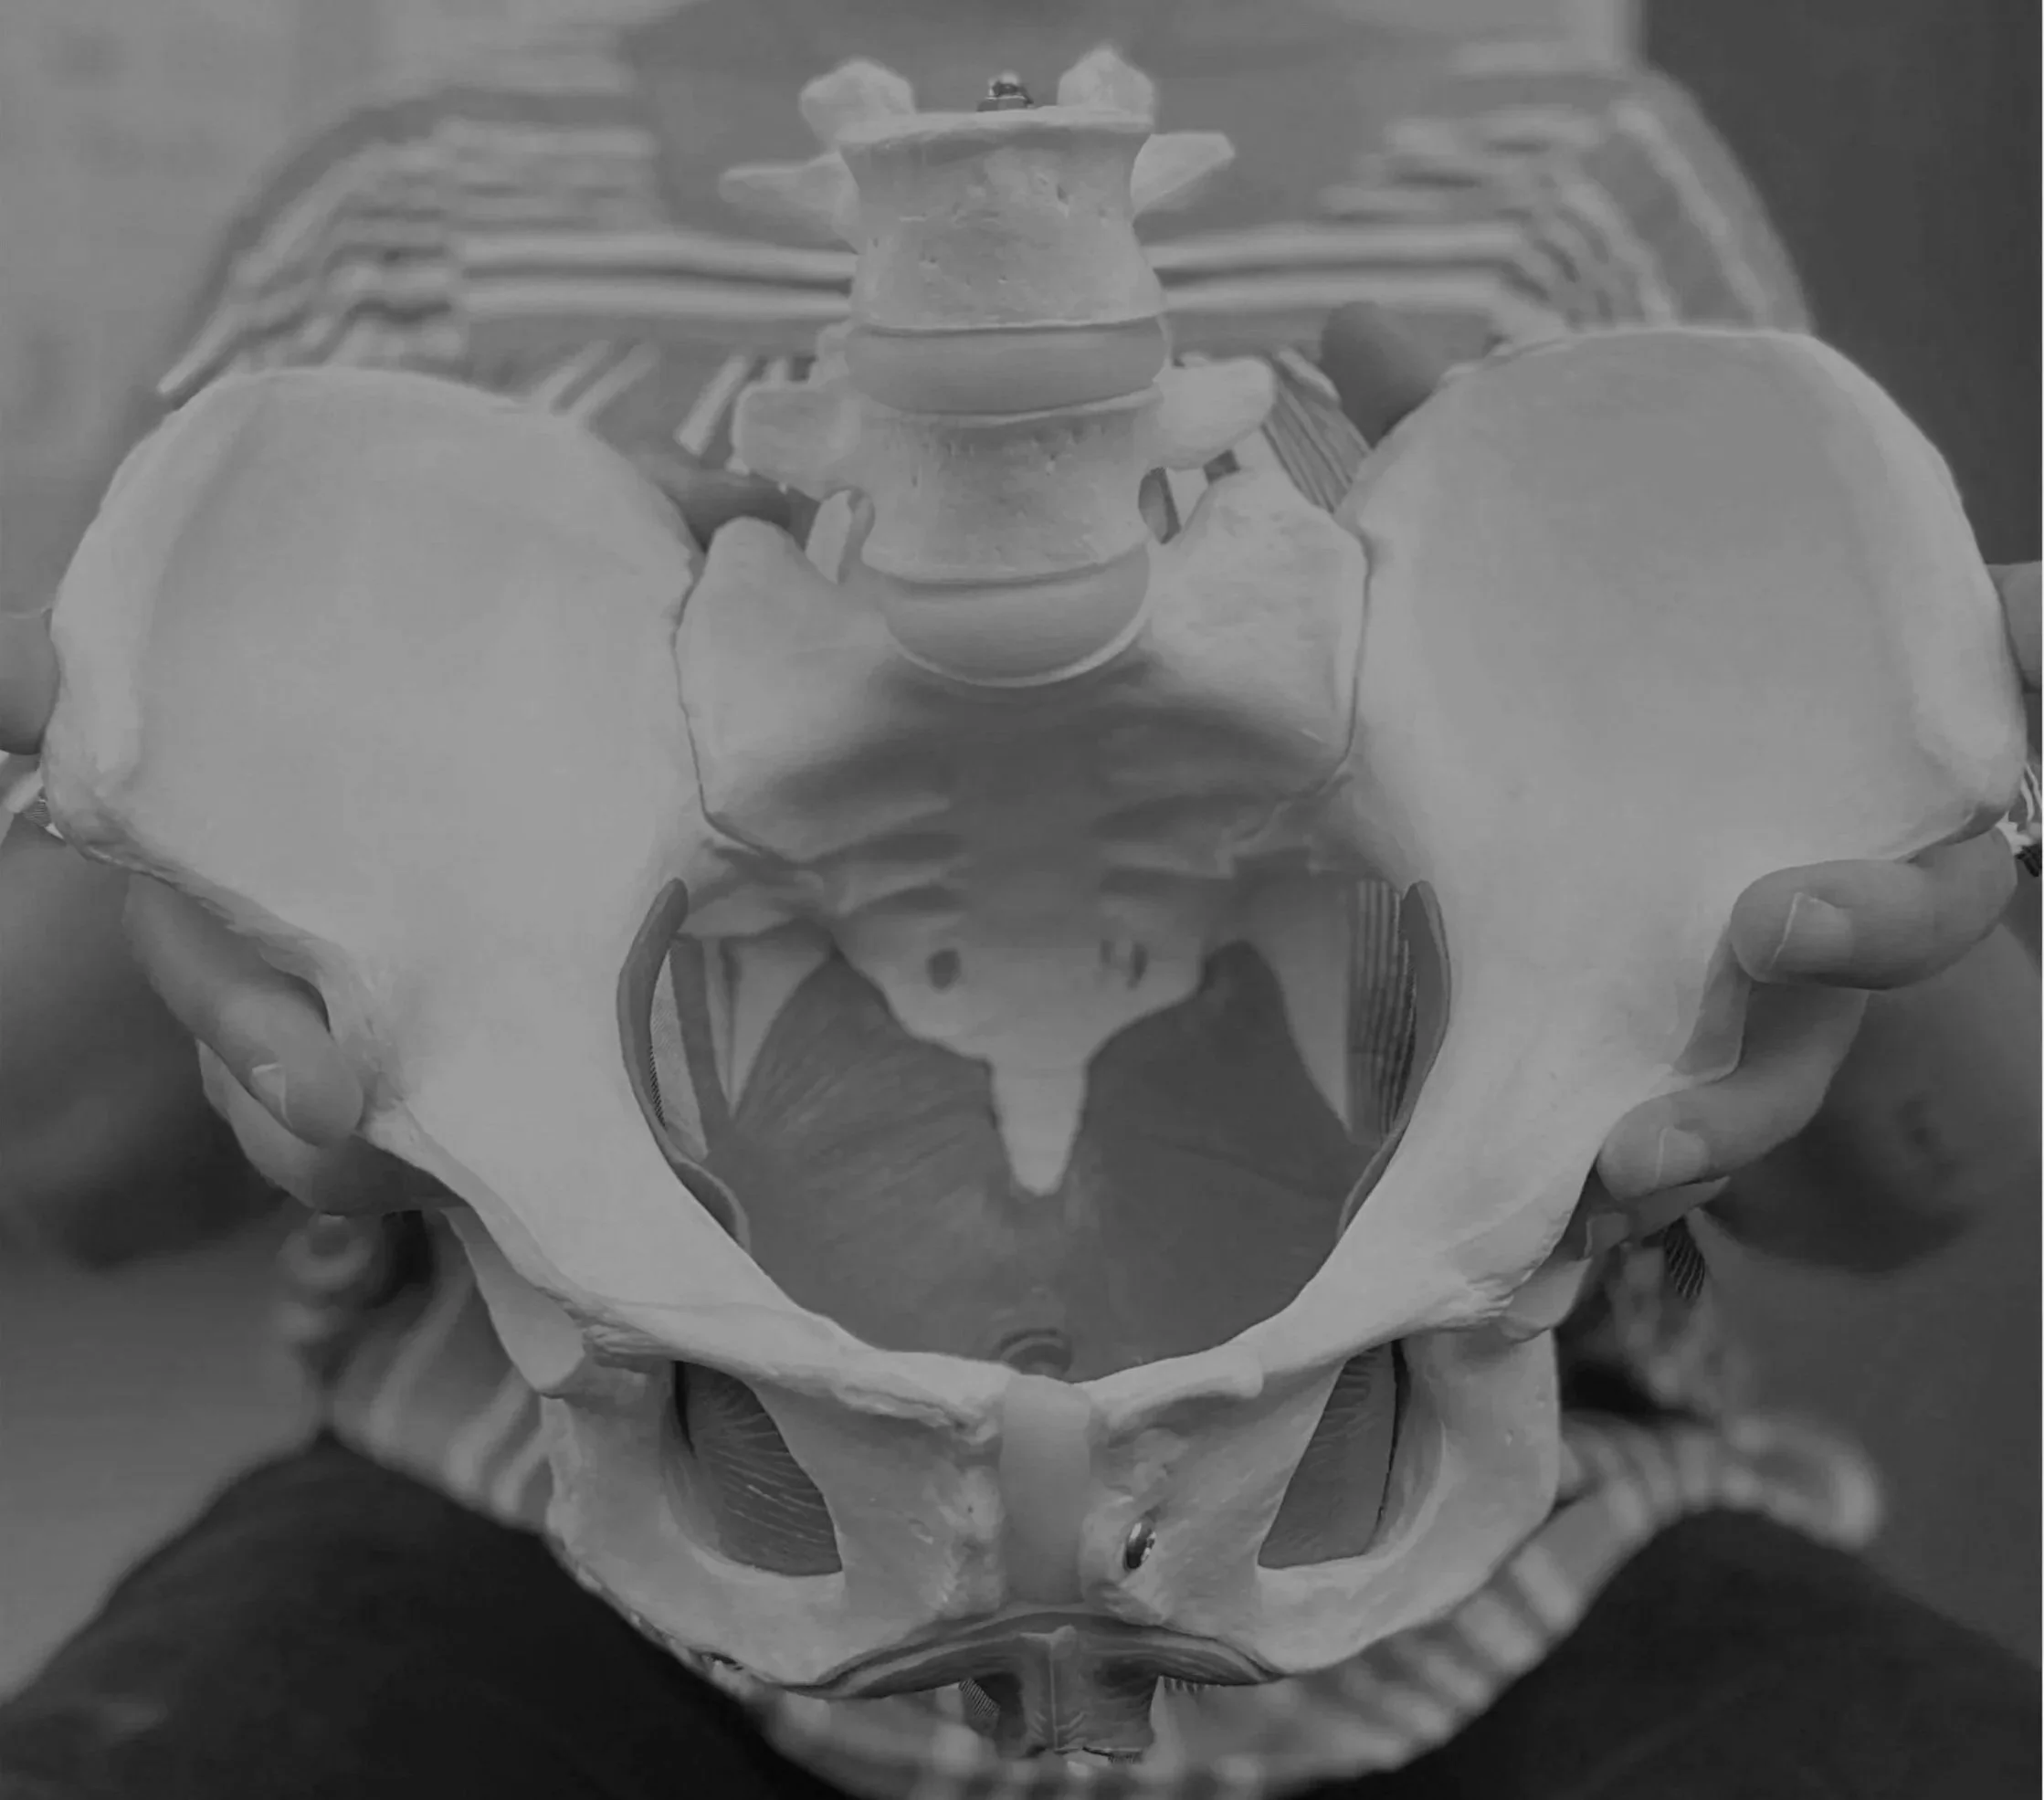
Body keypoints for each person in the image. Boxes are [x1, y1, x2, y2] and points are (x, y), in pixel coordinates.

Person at [0, 3, 2036, 1795]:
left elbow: (1926, 1167)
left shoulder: (1576, 185)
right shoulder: (405, 220)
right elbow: (70, 1150)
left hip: (1515, 1567)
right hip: (541, 1534)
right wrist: (240, 824)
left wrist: (1780, 827)